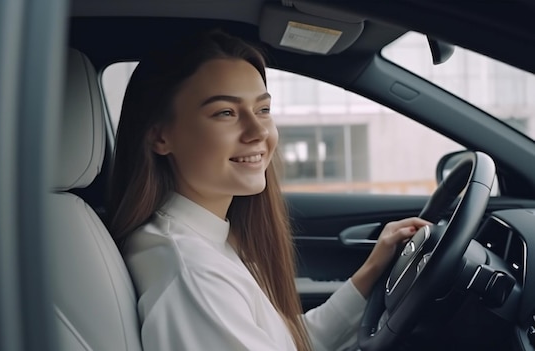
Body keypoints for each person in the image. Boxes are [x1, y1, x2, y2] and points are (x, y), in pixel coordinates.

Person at [108, 29, 429, 351]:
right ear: (160, 137)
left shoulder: (206, 239)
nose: (258, 131)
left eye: (263, 110)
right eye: (225, 113)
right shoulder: (192, 271)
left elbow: (292, 342)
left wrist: (374, 270)